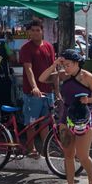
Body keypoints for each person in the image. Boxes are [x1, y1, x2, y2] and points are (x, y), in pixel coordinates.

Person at [39, 49, 92, 184]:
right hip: (66, 117)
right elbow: (42, 79)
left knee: (82, 155)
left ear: (76, 63)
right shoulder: (63, 75)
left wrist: (88, 100)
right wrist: (54, 64)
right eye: (64, 64)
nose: (66, 68)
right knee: (68, 154)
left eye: (68, 65)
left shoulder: (87, 77)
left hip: (83, 117)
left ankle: (91, 176)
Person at [19, 18, 60, 157]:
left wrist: (57, 90)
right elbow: (28, 69)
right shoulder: (26, 48)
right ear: (29, 33)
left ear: (42, 31)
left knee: (46, 122)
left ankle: (46, 149)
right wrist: (34, 87)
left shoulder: (49, 46)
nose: (36, 33)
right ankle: (31, 149)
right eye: (33, 30)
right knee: (31, 122)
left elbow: (53, 69)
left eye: (38, 30)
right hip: (32, 92)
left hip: (48, 91)